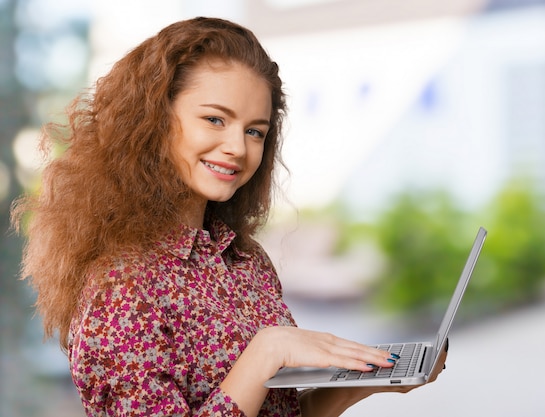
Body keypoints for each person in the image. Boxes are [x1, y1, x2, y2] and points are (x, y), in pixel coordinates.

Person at [11, 17, 447, 417]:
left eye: (255, 130)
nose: (238, 147)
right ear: (153, 121)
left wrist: (367, 379)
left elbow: (280, 412)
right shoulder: (122, 290)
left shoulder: (244, 260)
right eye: (215, 119)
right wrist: (265, 352)